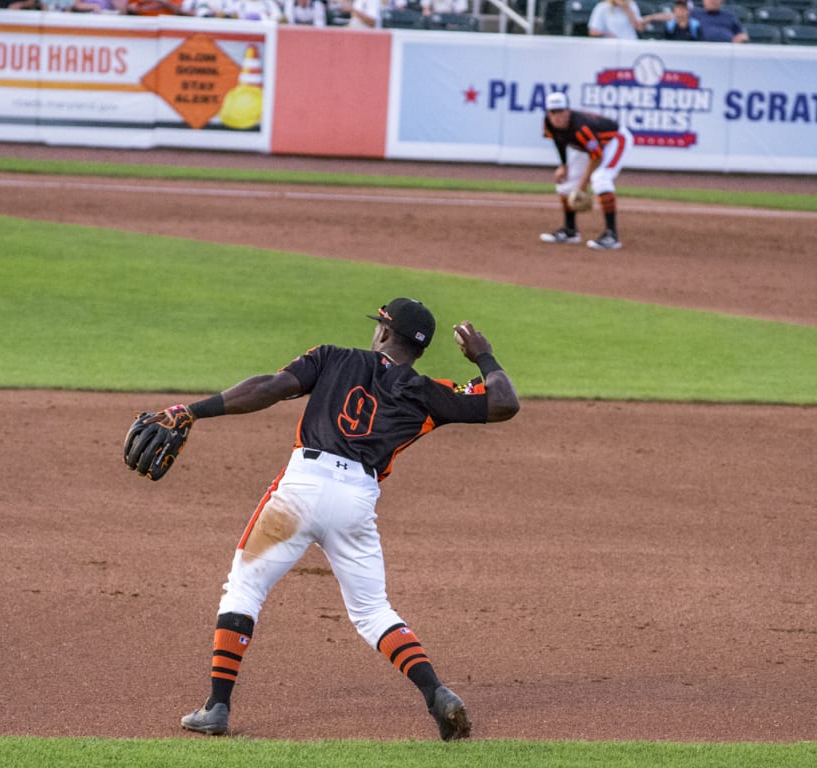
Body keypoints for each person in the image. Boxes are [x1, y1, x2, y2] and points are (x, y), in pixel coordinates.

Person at [164, 298, 519, 741]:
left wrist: (192, 411)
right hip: (356, 500)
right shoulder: (429, 393)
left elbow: (269, 387)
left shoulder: (333, 357)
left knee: (245, 587)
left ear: (385, 334)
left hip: (299, 491)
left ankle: (217, 706)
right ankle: (436, 694)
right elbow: (504, 403)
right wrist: (482, 354)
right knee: (372, 611)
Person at [538, 91, 633, 251]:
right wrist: (564, 165)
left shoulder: (581, 127)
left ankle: (612, 236)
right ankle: (570, 231)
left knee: (601, 178)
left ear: (568, 111)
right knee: (565, 183)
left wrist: (583, 184)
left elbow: (596, 157)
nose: (557, 116)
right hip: (590, 148)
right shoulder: (548, 123)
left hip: (615, 140)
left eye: (561, 111)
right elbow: (558, 140)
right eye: (553, 112)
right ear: (548, 113)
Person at [587, 0, 670, 39]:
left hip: (630, 44)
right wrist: (607, 34)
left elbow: (639, 28)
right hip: (610, 46)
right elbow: (593, 31)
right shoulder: (602, 7)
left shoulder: (631, 5)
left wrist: (626, 8)